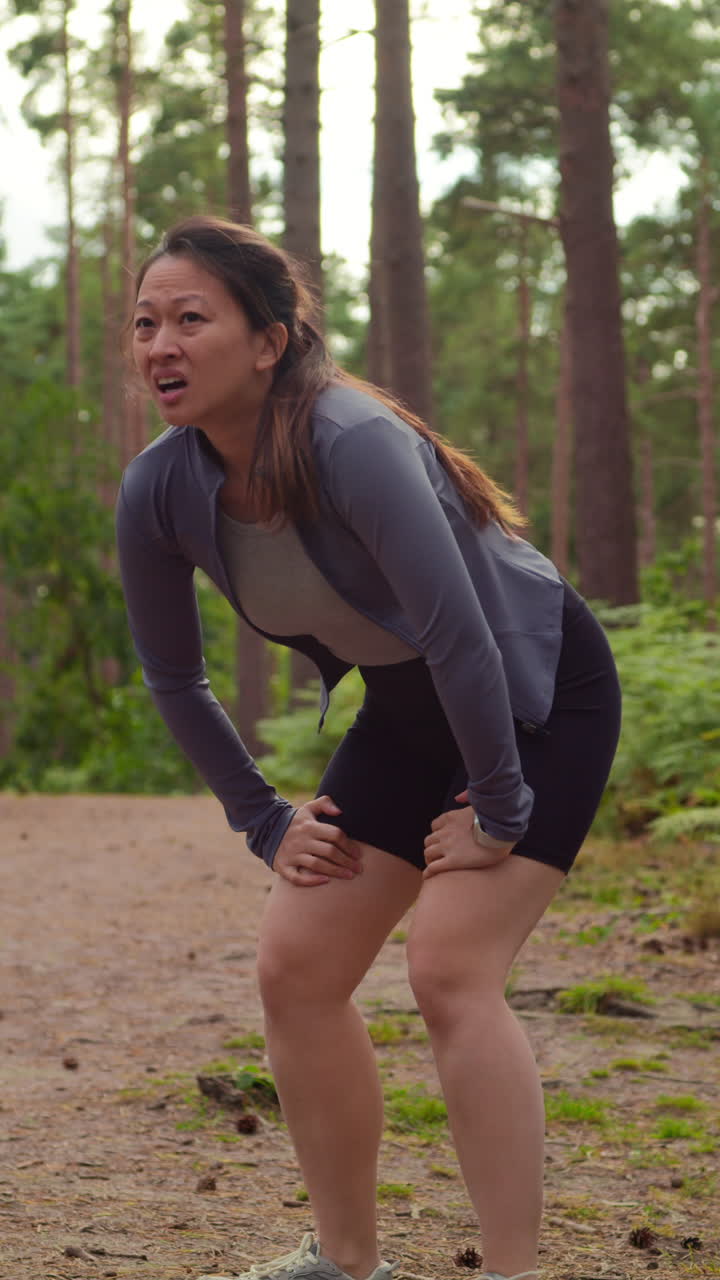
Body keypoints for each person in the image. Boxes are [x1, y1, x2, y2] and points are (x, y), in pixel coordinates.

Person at [116, 214, 621, 1280]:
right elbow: (174, 675)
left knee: (448, 967)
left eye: (190, 318)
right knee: (296, 966)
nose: (160, 343)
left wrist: (499, 808)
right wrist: (263, 818)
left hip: (536, 687)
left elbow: (463, 635)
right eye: (144, 322)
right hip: (408, 707)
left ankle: (515, 1270)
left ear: (270, 339)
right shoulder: (160, 488)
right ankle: (348, 1263)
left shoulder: (351, 441)